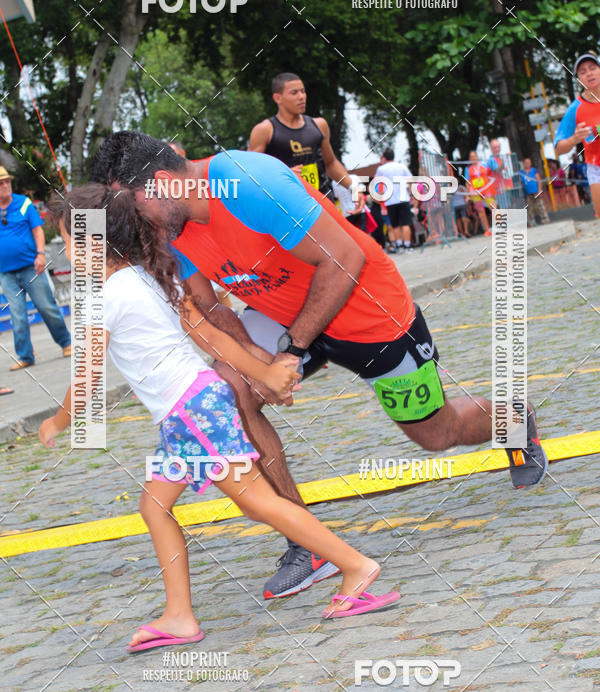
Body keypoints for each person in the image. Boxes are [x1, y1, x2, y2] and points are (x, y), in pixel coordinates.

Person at [90, 131, 549, 600]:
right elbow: (207, 306)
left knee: (437, 433)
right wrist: (255, 359)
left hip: (366, 308)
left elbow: (344, 258)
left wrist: (290, 352)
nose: (130, 219)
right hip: (283, 315)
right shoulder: (168, 227)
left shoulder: (246, 182)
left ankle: (516, 420)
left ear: (163, 182)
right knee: (229, 390)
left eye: (132, 204)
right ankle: (307, 545)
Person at [39, 185, 399, 651]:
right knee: (155, 506)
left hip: (191, 414)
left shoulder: (106, 297)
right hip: (193, 410)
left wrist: (57, 422)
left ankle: (355, 567)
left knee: (257, 503)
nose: (66, 251)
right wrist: (266, 373)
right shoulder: (149, 277)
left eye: (69, 239)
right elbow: (213, 339)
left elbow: (87, 377)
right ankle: (179, 616)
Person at [0, 166, 71, 369]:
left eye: (7, 181)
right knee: (17, 315)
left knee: (46, 307)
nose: (5, 185)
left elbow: (38, 231)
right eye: (0, 183)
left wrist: (40, 254)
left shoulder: (23, 203)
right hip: (6, 272)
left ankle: (66, 343)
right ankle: (25, 356)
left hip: (31, 267)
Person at [248, 72, 359, 202]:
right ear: (278, 98)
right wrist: (283, 176)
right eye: (294, 93)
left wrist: (353, 188)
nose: (301, 97)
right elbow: (250, 173)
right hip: (287, 204)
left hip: (322, 200)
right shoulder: (265, 130)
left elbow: (330, 163)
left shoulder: (319, 125)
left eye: (303, 91)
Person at [554, 52, 600, 218]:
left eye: (592, 68)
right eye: (582, 72)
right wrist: (575, 138)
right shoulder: (575, 108)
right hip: (597, 168)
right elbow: (558, 149)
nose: (589, 73)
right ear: (579, 79)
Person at [373, 148, 413, 253]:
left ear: (385, 157)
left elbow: (377, 183)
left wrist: (381, 198)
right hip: (403, 198)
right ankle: (407, 246)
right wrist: (411, 194)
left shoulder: (381, 169)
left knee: (395, 225)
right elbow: (410, 180)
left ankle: (399, 245)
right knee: (405, 224)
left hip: (390, 201)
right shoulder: (402, 166)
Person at [465, 150, 494, 236]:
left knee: (493, 208)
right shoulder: (468, 169)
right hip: (475, 193)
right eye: (471, 157)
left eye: (474, 156)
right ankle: (487, 230)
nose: (473, 158)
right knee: (481, 212)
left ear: (477, 157)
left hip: (486, 190)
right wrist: (467, 196)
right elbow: (467, 182)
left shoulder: (484, 165)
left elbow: (490, 176)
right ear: (470, 159)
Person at [519, 158, 549, 227]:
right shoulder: (521, 172)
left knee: (540, 205)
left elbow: (539, 180)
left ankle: (545, 219)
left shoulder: (534, 170)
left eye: (528, 162)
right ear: (523, 163)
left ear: (530, 163)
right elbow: (520, 183)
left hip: (536, 191)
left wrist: (539, 190)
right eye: (526, 162)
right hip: (527, 192)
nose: (527, 164)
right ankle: (532, 221)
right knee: (529, 207)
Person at [486, 139, 513, 208]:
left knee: (507, 208)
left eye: (498, 147)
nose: (497, 149)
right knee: (504, 209)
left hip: (502, 188)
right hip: (495, 190)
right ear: (491, 149)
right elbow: (497, 170)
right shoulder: (491, 160)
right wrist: (505, 158)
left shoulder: (499, 158)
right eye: (495, 147)